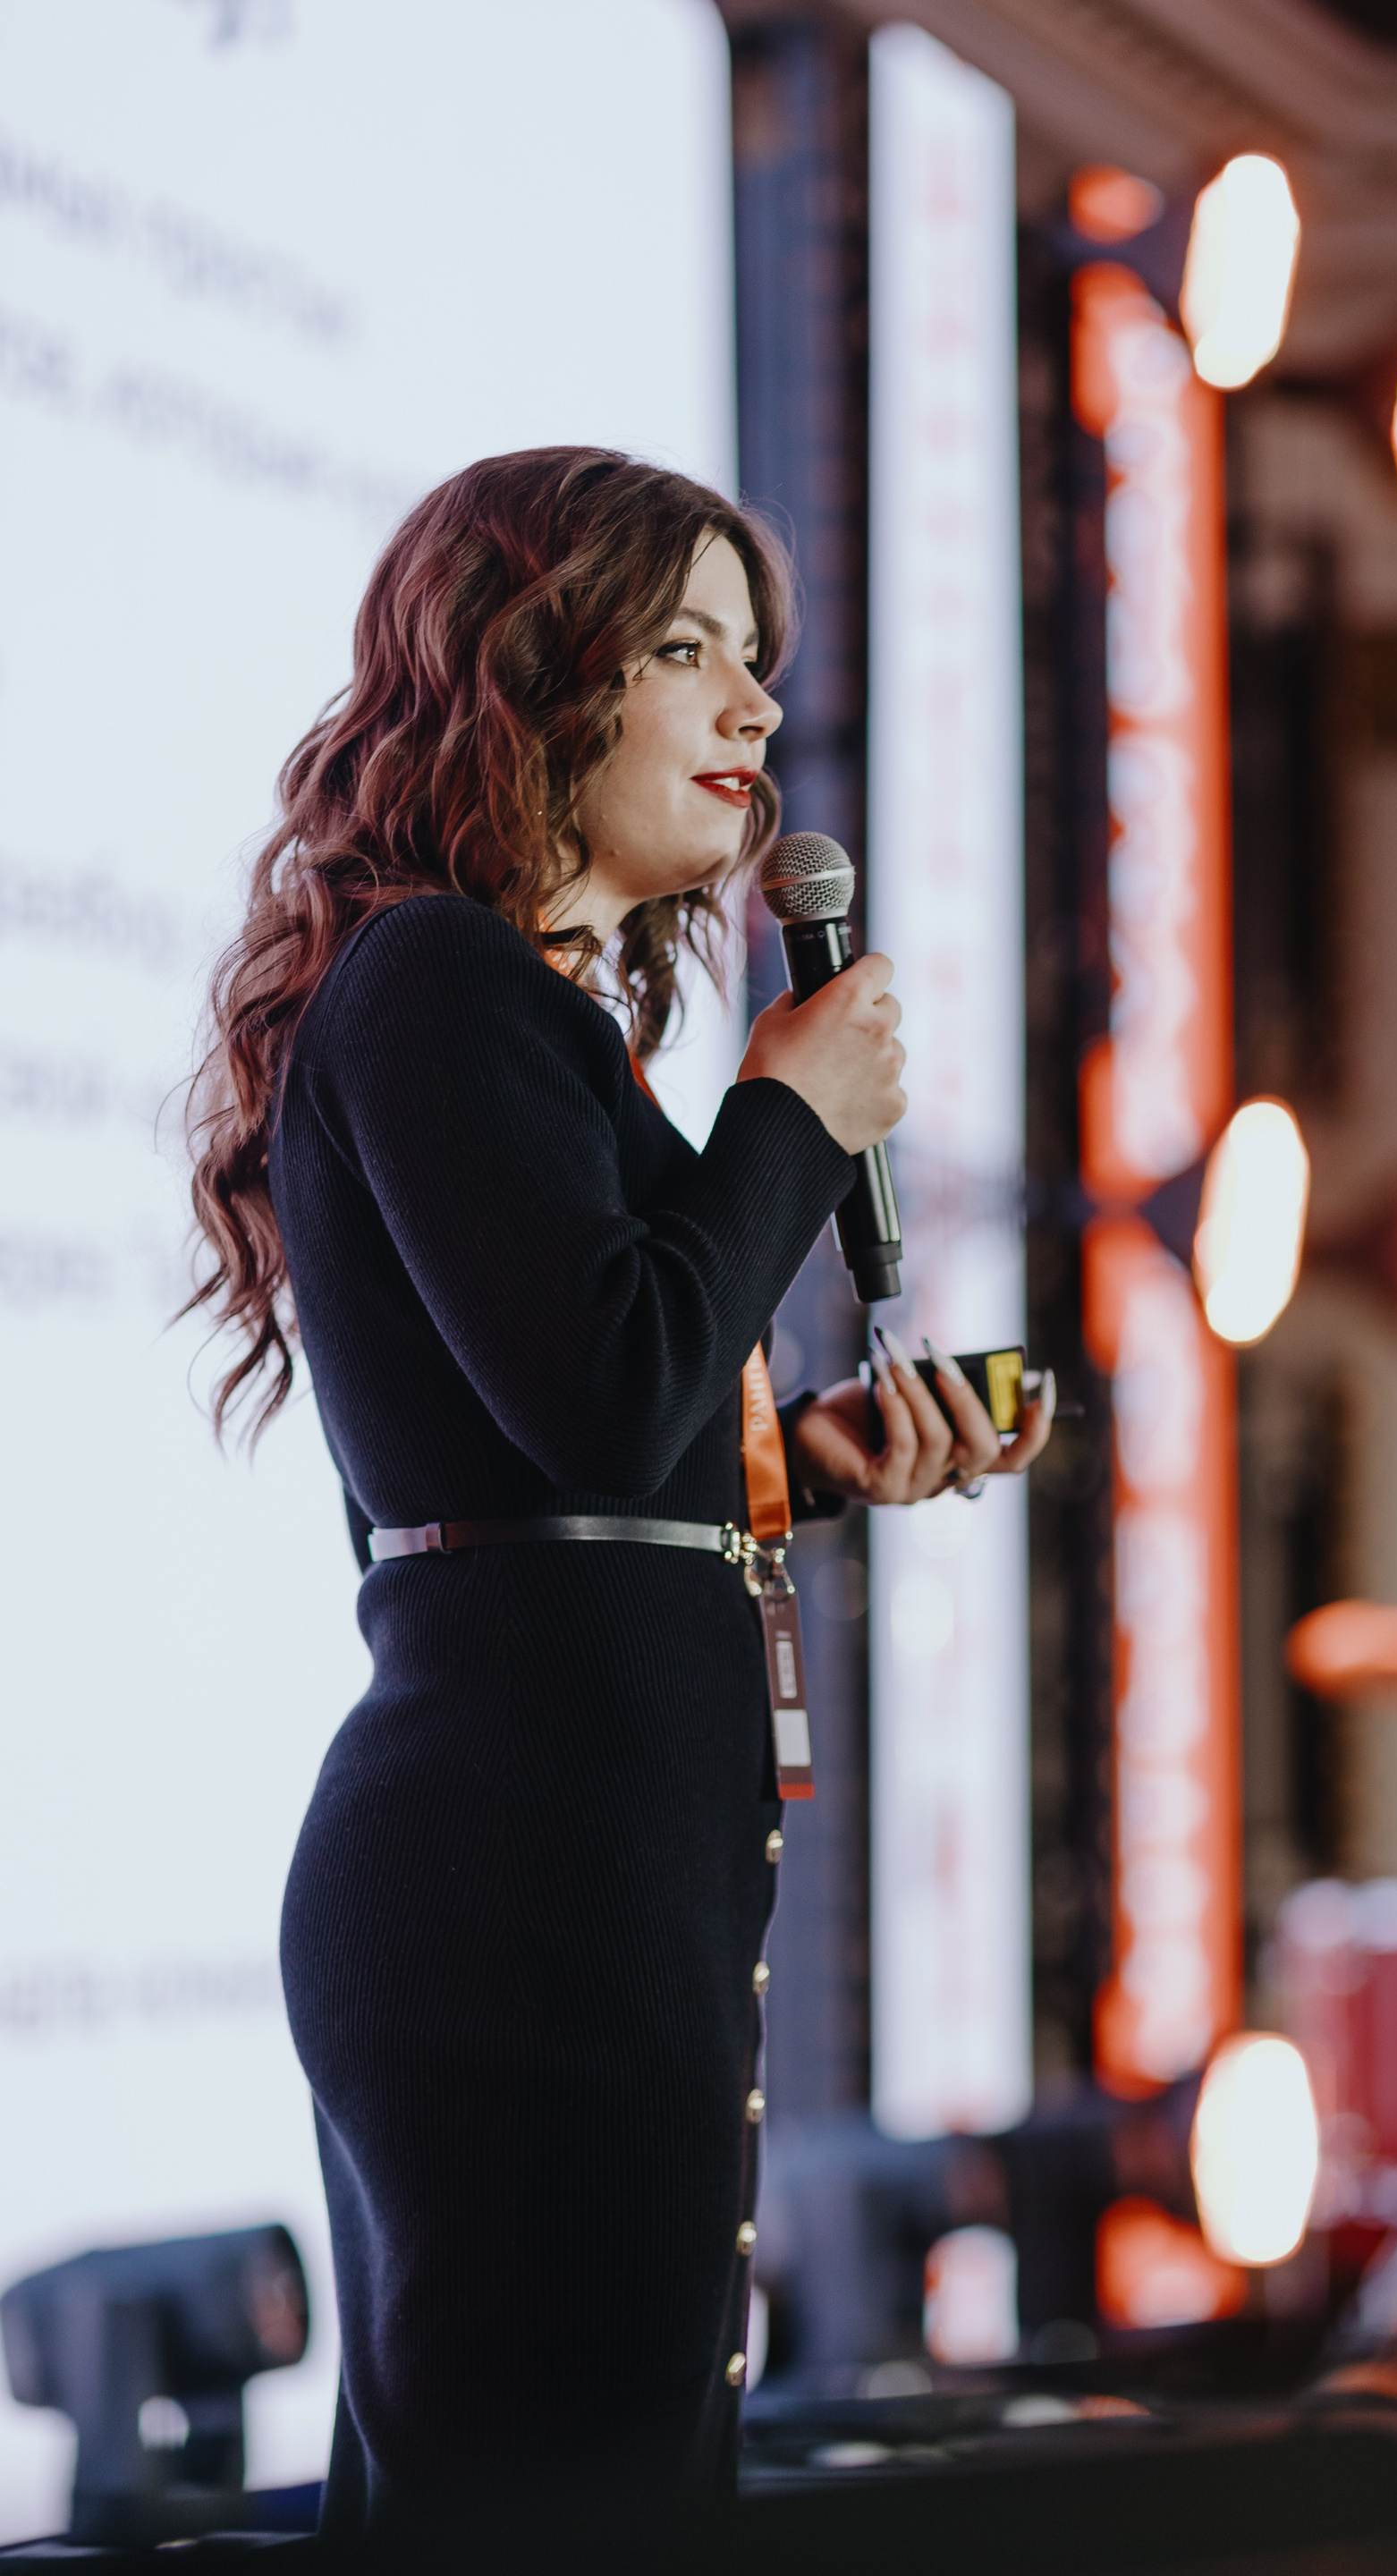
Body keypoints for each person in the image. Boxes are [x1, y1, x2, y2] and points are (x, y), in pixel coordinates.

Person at [184, 447, 1053, 2541]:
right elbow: (596, 1395)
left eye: (756, 658)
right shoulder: (436, 981)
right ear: (529, 675)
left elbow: (582, 1426)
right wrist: (787, 1113)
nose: (758, 707)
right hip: (519, 1901)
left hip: (576, 1886)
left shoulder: (522, 1013)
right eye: (685, 651)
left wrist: (801, 1462)